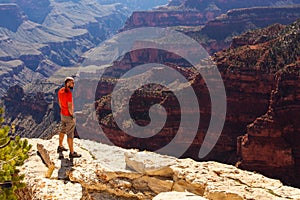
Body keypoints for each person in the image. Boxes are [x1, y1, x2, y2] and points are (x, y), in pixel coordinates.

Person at [57, 76, 81, 158]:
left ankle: (60, 146)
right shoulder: (69, 94)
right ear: (68, 83)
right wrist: (72, 116)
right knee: (70, 134)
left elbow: (60, 103)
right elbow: (70, 107)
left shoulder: (60, 91)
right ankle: (72, 153)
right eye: (72, 83)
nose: (73, 84)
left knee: (62, 129)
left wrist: (63, 110)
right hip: (68, 115)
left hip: (62, 114)